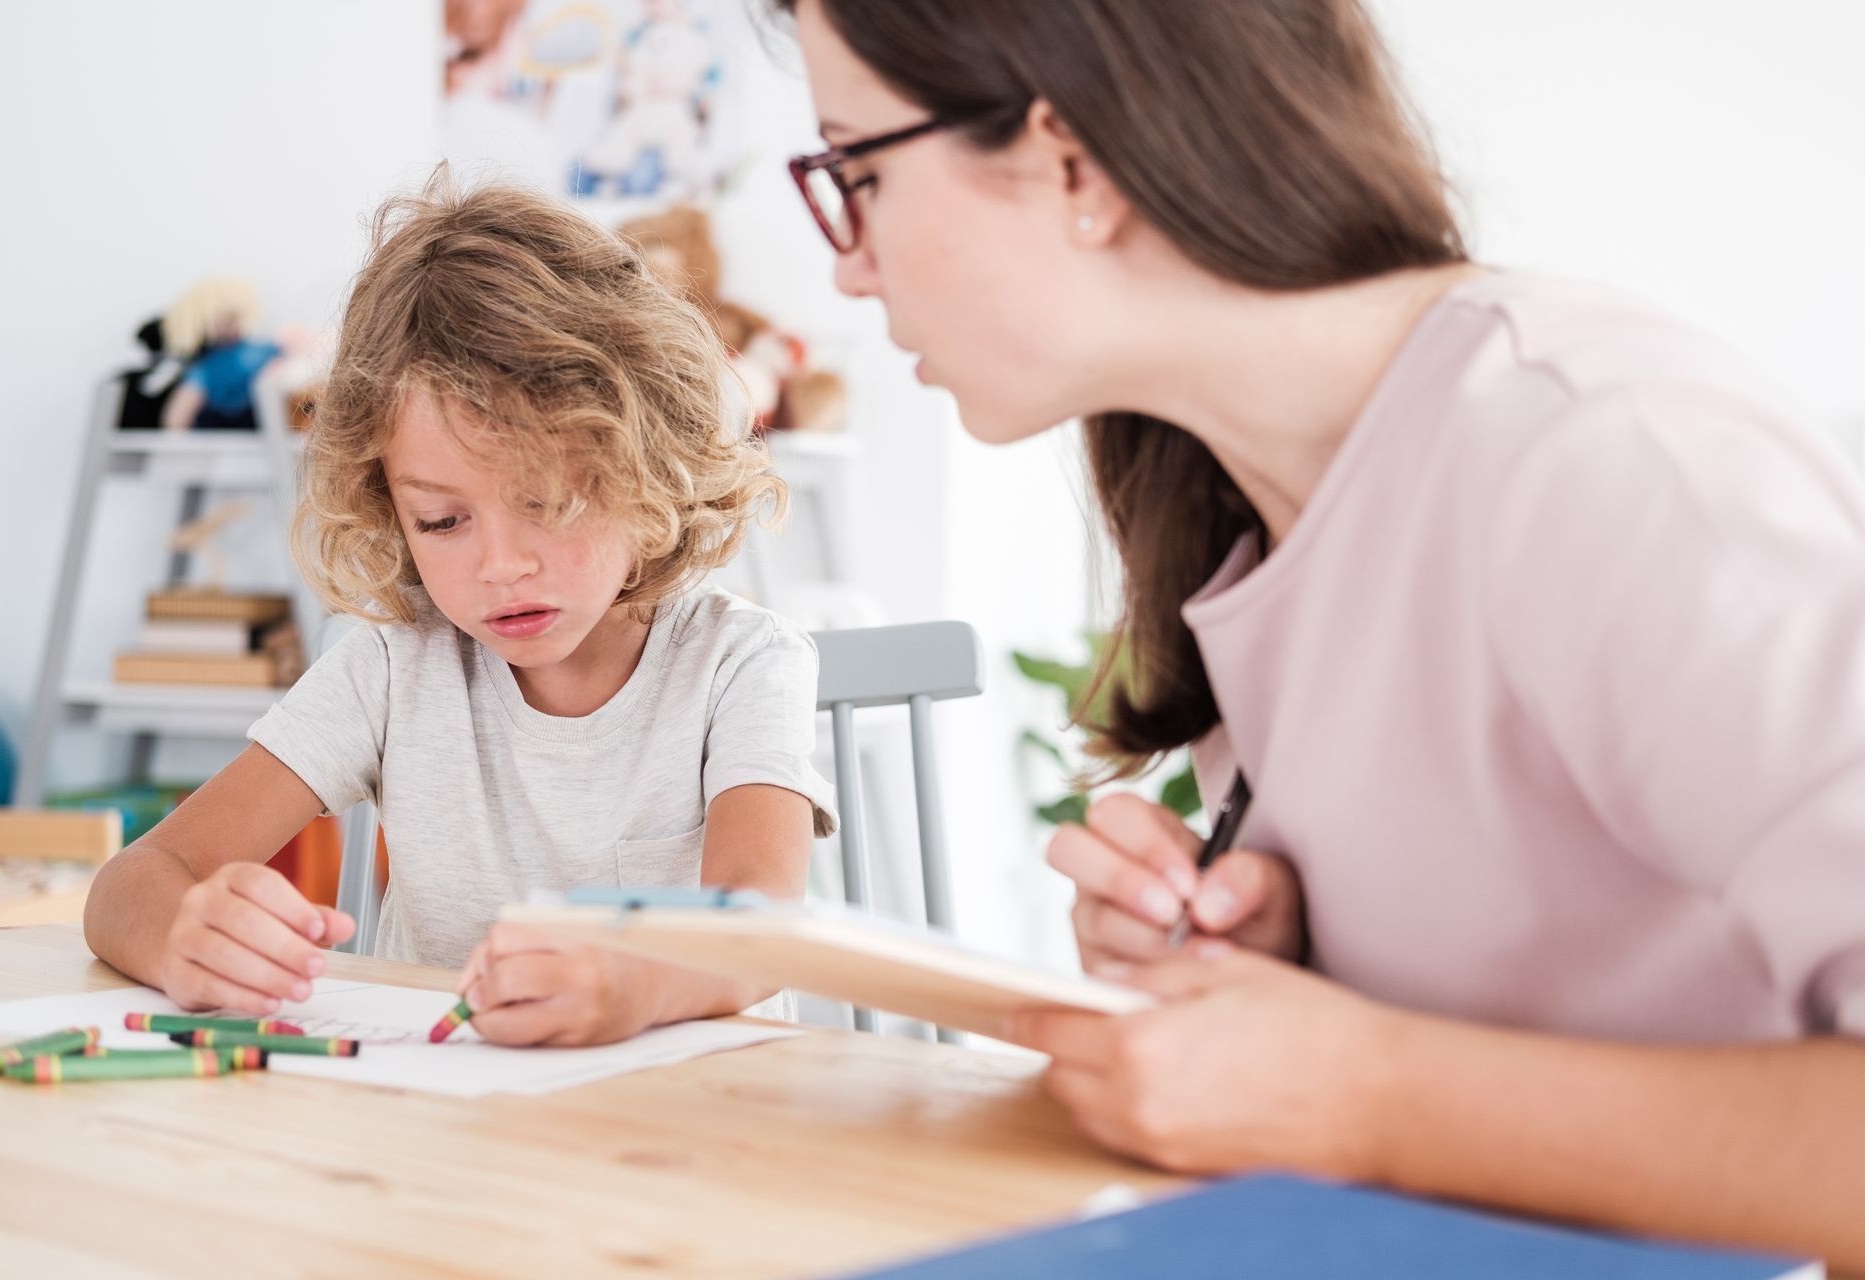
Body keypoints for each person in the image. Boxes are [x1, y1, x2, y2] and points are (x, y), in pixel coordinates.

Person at [776, 0, 1865, 1265]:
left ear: (1066, 158)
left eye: (857, 172)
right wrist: (1278, 975)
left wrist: (1367, 1089)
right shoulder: (1255, 506)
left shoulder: (1605, 456)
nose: (847, 265)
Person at [86, 177, 837, 1047]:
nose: (500, 566)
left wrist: (634, 982)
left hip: (696, 1132)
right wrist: (185, 935)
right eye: (441, 521)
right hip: (454, 1134)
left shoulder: (743, 664)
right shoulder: (397, 665)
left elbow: (760, 929)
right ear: (388, 508)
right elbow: (134, 881)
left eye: (550, 503)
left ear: (649, 466)